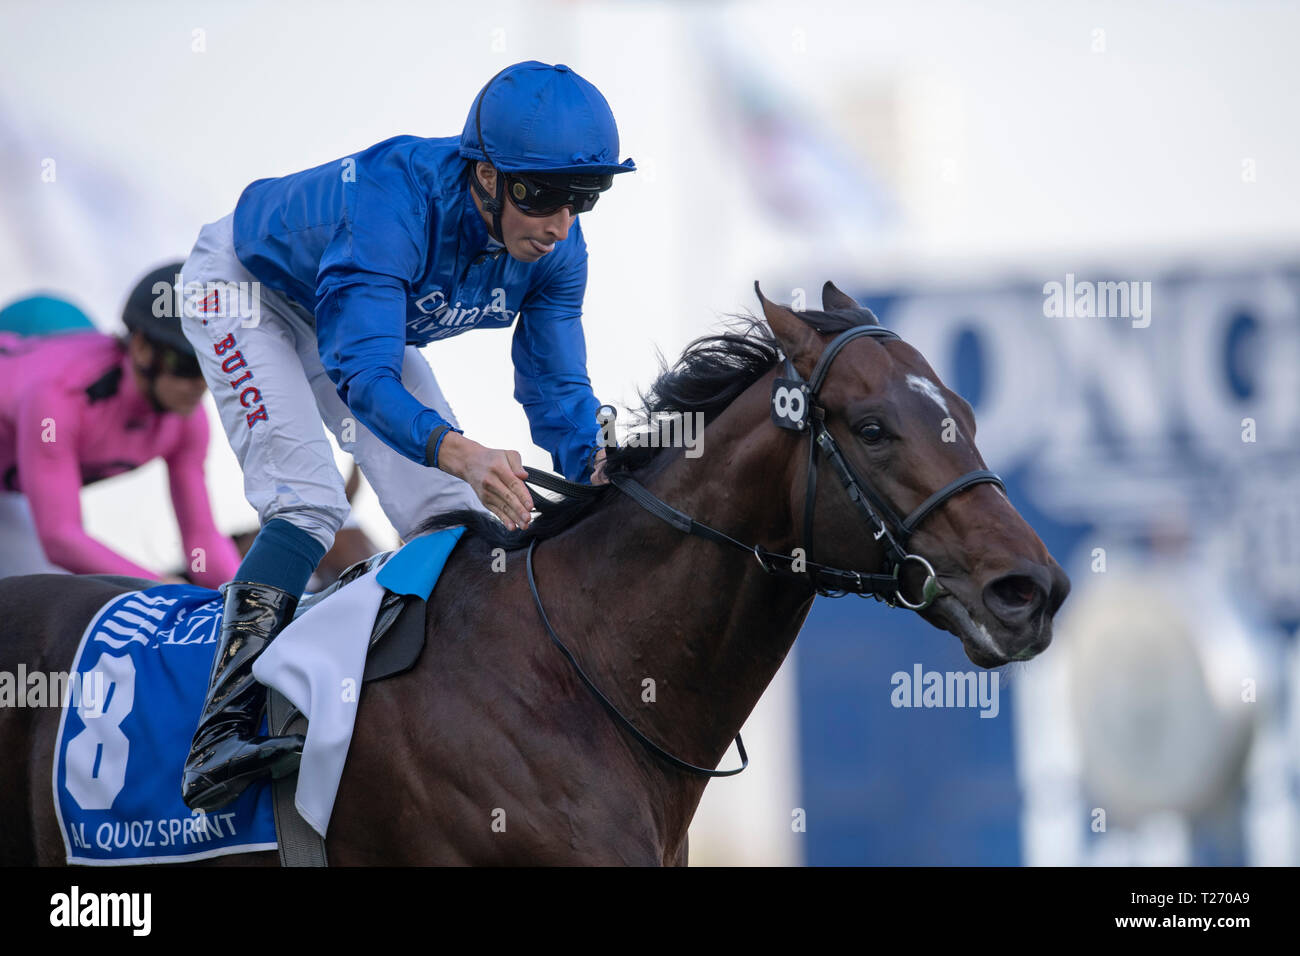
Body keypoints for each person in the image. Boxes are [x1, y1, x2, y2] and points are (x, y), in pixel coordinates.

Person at [177, 60, 635, 810]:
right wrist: (459, 447)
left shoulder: (559, 253)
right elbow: (363, 374)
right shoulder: (393, 201)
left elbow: (556, 388)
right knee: (310, 503)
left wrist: (596, 468)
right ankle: (217, 733)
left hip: (349, 314)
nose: (558, 222)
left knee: (454, 515)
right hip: (244, 287)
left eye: (584, 198)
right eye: (540, 194)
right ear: (484, 177)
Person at [0, 266, 240, 586]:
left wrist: (248, 597)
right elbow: (59, 538)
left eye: (214, 365)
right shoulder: (57, 399)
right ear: (141, 347)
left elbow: (200, 540)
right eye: (187, 362)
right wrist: (157, 587)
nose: (200, 384)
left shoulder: (188, 419)